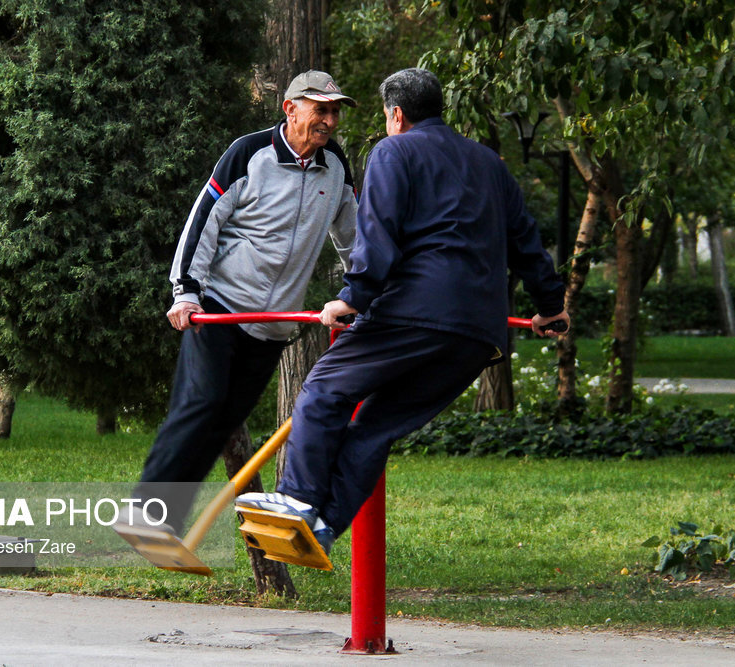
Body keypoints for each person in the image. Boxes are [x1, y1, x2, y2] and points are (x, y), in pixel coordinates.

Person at [236, 68, 569, 556]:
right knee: (374, 428)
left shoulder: (394, 151)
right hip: (477, 335)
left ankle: (297, 501)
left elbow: (379, 230)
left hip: (412, 314)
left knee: (325, 390)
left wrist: (353, 296)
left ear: (396, 114)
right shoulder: (489, 163)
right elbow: (526, 243)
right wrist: (550, 308)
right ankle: (323, 528)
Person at [126, 71, 358, 535]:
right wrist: (185, 291)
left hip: (272, 324)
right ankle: (146, 516)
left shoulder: (335, 166)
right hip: (220, 305)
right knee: (202, 404)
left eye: (334, 111)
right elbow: (204, 221)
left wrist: (365, 291)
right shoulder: (249, 153)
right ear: (290, 109)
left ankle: (160, 524)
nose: (329, 120)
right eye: (320, 109)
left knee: (226, 417)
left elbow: (355, 240)